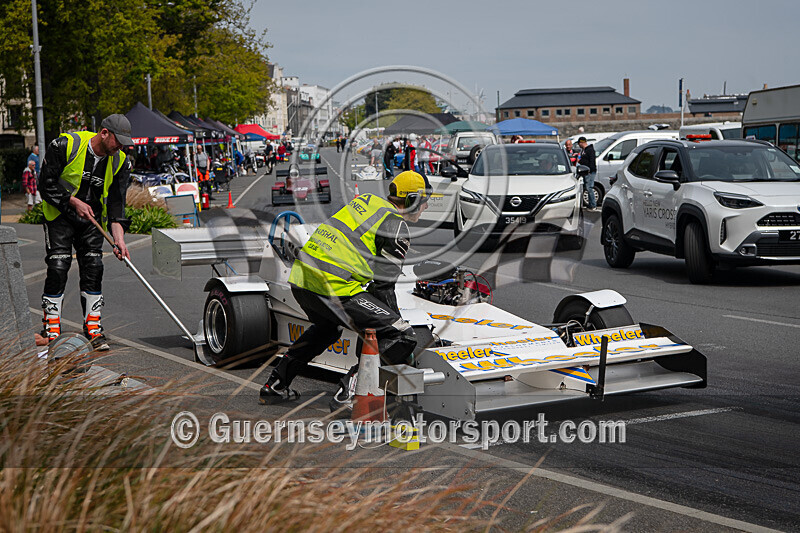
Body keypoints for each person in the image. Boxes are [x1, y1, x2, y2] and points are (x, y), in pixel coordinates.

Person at [259, 171, 432, 408]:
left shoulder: (368, 201)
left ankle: (275, 385)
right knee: (401, 335)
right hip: (334, 286)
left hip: (302, 280)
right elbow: (383, 287)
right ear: (412, 200)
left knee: (327, 329)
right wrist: (394, 326)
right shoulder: (395, 225)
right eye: (424, 201)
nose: (426, 206)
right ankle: (349, 392)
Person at [38, 114, 133, 350]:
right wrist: (72, 202)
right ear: (104, 133)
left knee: (94, 266)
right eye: (118, 141)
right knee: (58, 266)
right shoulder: (65, 145)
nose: (120, 147)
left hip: (92, 218)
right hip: (59, 215)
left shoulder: (120, 162)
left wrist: (119, 240)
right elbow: (45, 185)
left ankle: (93, 327)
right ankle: (51, 328)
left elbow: (117, 205)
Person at [578, 136, 598, 210]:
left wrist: (590, 169)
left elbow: (592, 160)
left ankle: (593, 204)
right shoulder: (584, 150)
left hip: (589, 171)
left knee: (589, 187)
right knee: (587, 187)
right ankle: (590, 204)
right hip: (586, 171)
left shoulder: (589, 150)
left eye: (579, 143)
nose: (579, 145)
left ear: (581, 143)